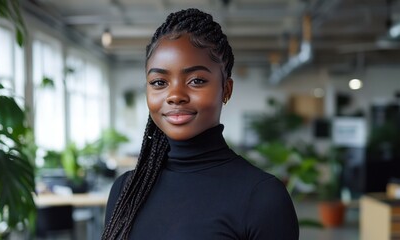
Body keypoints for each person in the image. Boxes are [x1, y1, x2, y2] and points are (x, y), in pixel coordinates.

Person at [102, 8, 299, 240]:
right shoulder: (126, 190)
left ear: (226, 89)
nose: (175, 95)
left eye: (196, 80)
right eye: (159, 82)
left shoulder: (262, 197)